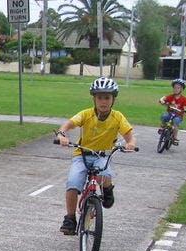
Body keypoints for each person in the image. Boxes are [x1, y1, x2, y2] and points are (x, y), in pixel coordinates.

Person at [55, 77, 137, 235]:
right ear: (94, 99)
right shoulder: (86, 114)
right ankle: (70, 218)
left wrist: (130, 143)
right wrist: (62, 135)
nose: (103, 102)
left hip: (102, 155)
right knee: (73, 182)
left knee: (104, 174)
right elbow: (68, 124)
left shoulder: (117, 117)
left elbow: (130, 136)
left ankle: (107, 190)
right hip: (82, 154)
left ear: (113, 99)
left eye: (107, 97)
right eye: (99, 97)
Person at [158, 77, 186, 145]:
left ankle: (174, 137)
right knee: (164, 116)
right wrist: (162, 100)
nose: (176, 89)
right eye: (175, 87)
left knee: (176, 122)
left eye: (178, 88)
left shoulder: (183, 99)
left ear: (182, 89)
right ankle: (163, 127)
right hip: (170, 113)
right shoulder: (171, 96)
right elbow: (164, 98)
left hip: (178, 115)